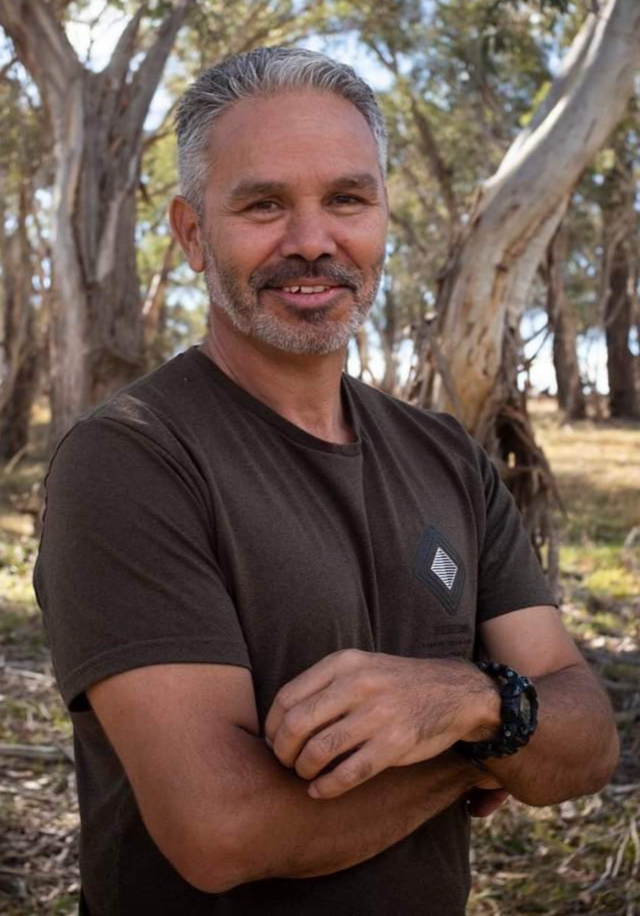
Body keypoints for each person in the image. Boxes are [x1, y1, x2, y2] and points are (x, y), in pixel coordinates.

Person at [34, 46, 619, 916]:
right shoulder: (131, 461)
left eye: (347, 199)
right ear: (191, 233)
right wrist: (481, 745)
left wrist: (463, 697)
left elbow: (590, 741)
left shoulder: (446, 457)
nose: (312, 242)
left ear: (382, 214)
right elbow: (223, 832)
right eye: (264, 204)